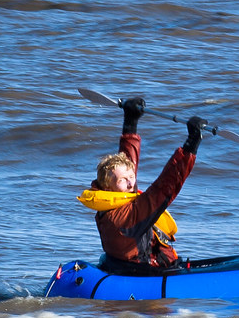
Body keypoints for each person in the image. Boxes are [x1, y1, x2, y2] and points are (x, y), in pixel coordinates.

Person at [77, 96, 207, 272]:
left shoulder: (109, 199)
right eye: (124, 180)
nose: (132, 182)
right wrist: (191, 144)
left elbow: (126, 165)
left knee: (127, 174)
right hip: (140, 271)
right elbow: (163, 189)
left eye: (131, 176)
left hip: (121, 263)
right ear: (108, 187)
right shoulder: (123, 217)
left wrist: (130, 121)